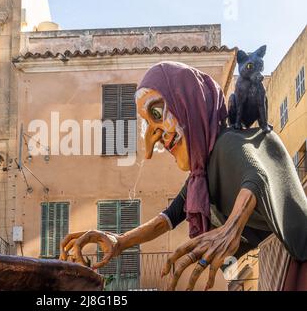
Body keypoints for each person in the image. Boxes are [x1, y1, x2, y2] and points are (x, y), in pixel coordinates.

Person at [59, 61, 307, 291]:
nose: (153, 138)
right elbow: (167, 218)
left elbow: (257, 175)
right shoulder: (201, 176)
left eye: (156, 114)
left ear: (189, 104)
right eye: (148, 125)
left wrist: (231, 226)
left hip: (296, 256)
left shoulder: (227, 143)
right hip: (281, 257)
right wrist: (119, 241)